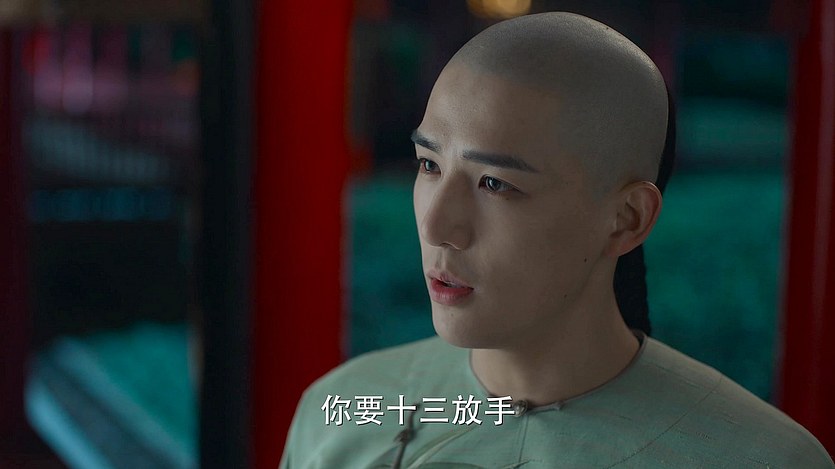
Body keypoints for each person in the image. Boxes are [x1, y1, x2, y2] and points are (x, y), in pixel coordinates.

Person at [280, 12, 834, 468]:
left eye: (495, 183)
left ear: (626, 219)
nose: (436, 226)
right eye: (429, 164)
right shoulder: (341, 410)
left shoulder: (761, 458)